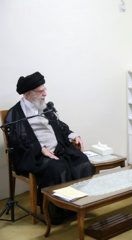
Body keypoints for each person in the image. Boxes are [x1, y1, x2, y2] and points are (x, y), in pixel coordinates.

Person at [5, 71, 93, 224]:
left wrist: (73, 135)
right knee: (58, 169)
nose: (45, 94)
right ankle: (57, 214)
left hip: (58, 148)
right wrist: (41, 149)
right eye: (41, 91)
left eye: (45, 90)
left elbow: (59, 125)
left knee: (82, 161)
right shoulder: (16, 113)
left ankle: (79, 205)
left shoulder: (44, 107)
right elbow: (18, 139)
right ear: (28, 94)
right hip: (36, 155)